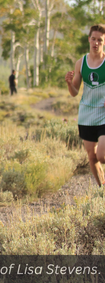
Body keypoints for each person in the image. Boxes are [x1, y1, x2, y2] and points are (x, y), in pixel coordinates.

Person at [65, 24, 105, 187]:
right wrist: (69, 83)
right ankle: (102, 188)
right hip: (86, 115)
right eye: (93, 39)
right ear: (89, 39)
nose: (96, 43)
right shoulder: (81, 63)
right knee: (92, 157)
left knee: (102, 156)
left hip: (103, 114)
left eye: (100, 40)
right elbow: (74, 92)